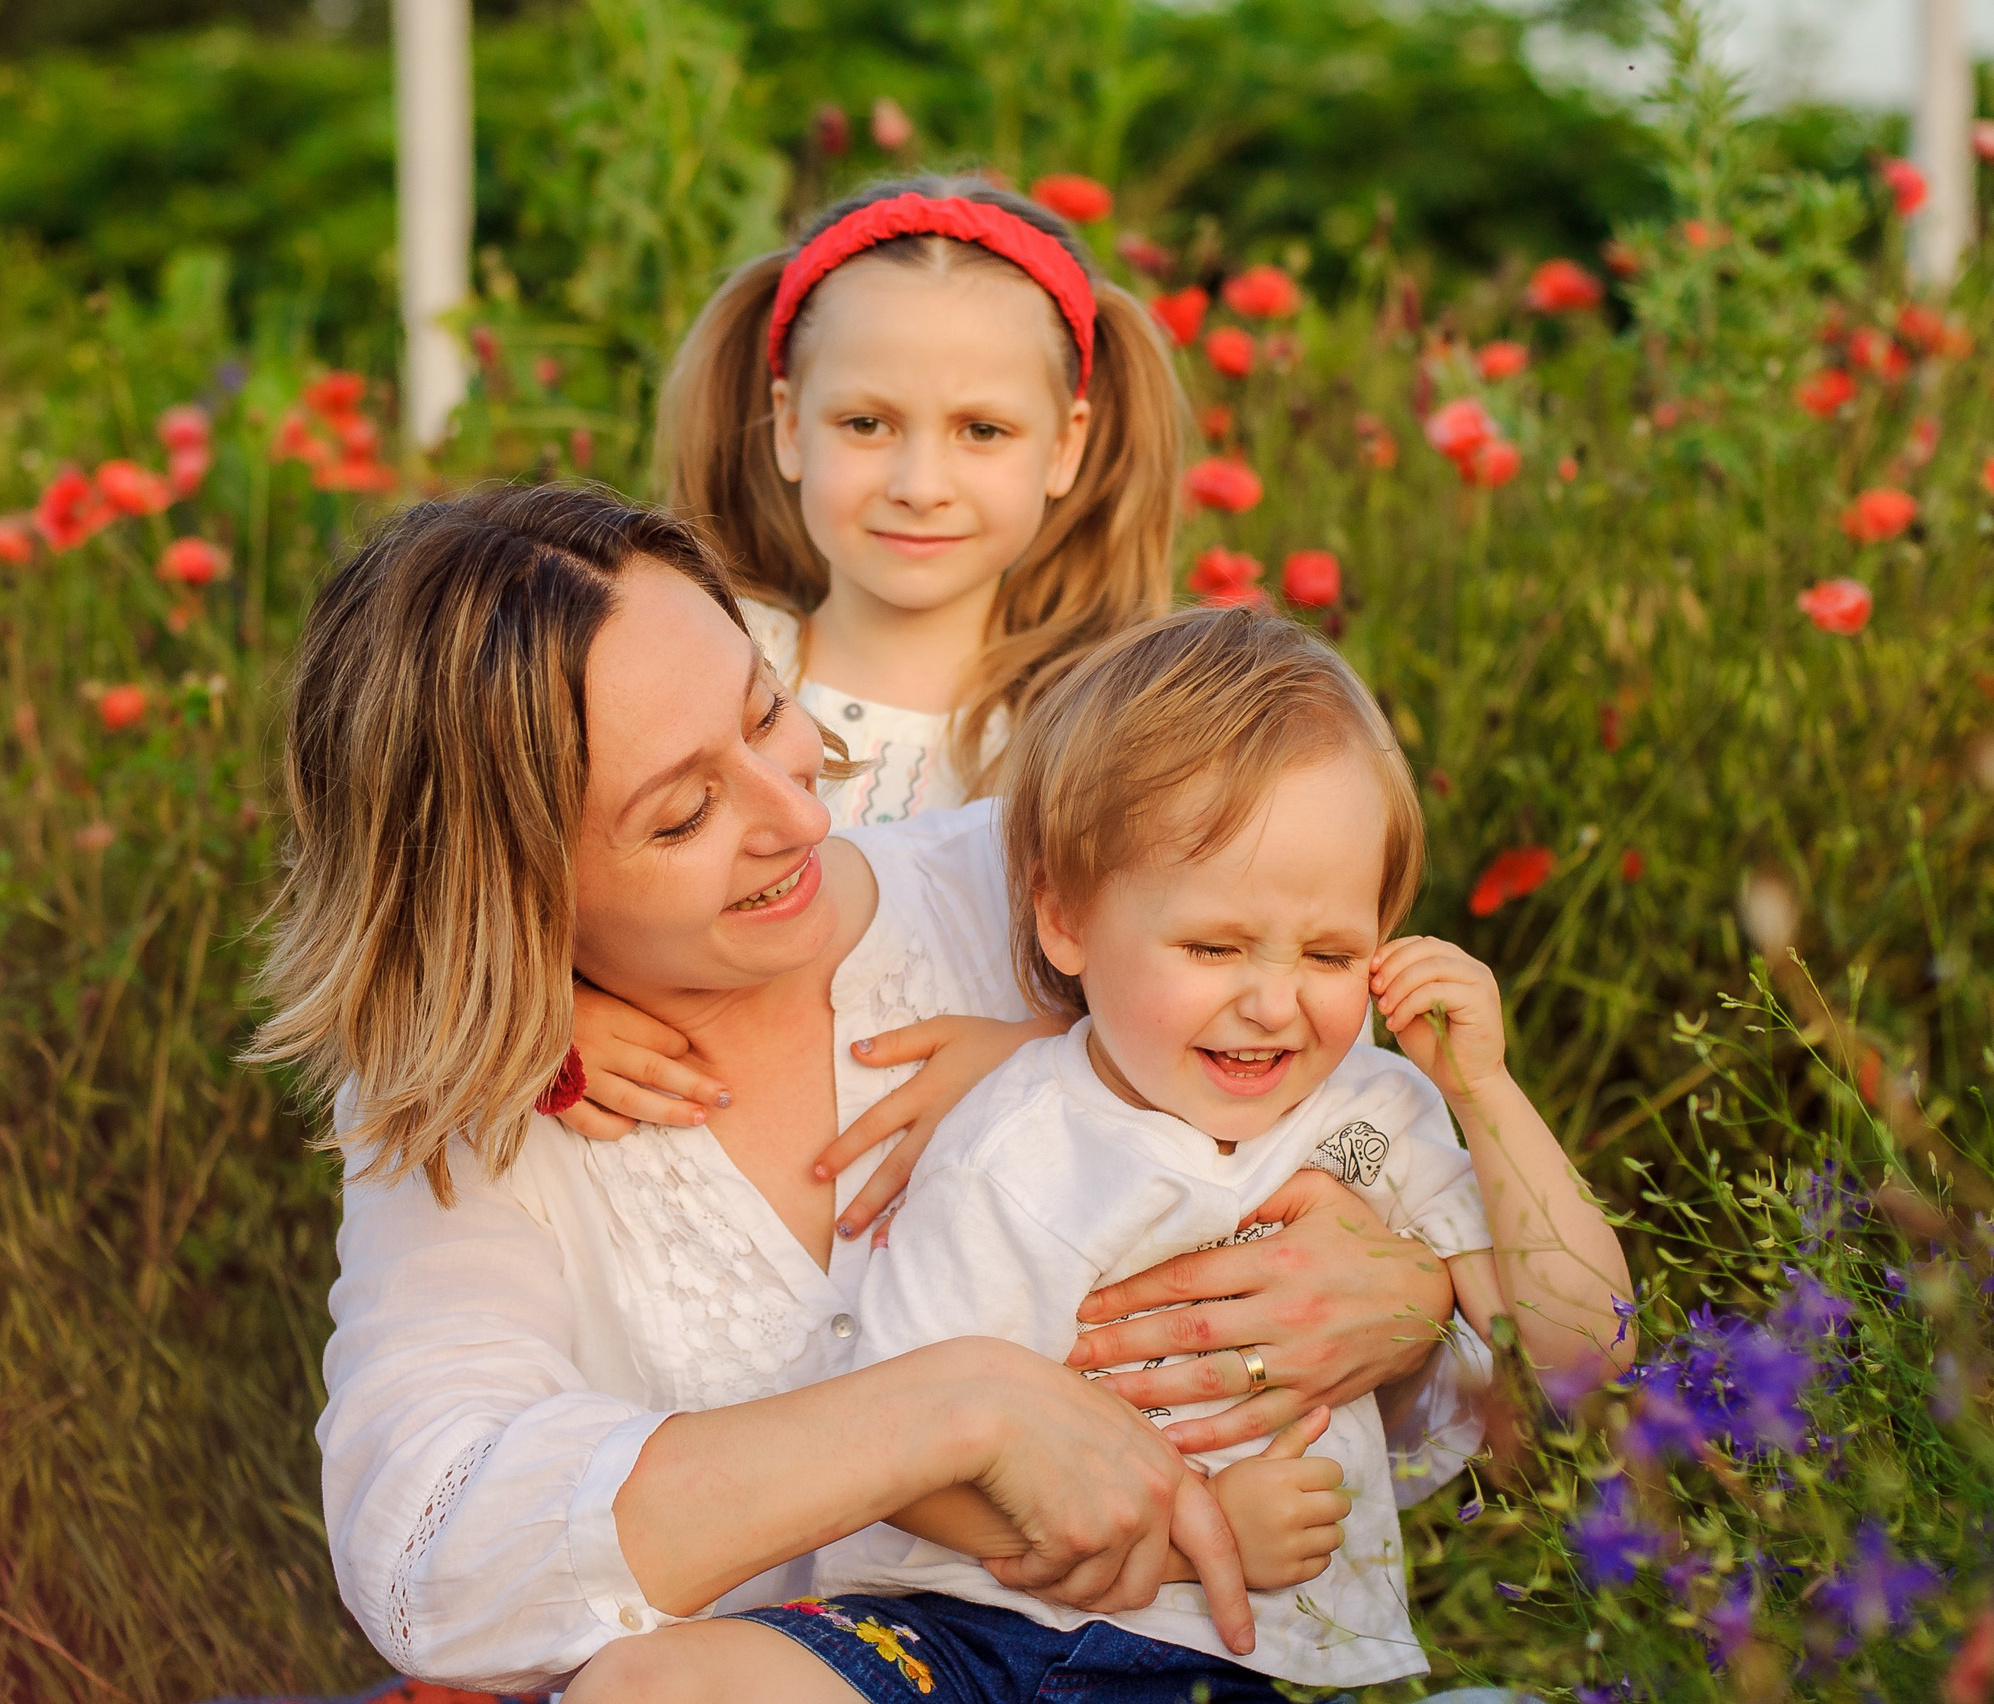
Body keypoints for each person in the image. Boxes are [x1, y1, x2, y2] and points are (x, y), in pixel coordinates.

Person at [248, 485, 1479, 1696]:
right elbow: (430, 1561)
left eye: (766, 707)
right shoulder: (495, 1112)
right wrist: (955, 1410)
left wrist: (1420, 1299)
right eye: (682, 816)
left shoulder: (1059, 887)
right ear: (511, 892)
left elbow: (1499, 1367)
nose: (795, 808)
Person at [570, 606, 1633, 1702]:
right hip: (961, 1637)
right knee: (652, 1684)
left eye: (1329, 952)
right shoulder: (1021, 1145)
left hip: (1221, 1666)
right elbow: (901, 1472)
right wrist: (1197, 1532)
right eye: (1212, 946)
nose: (1271, 1003)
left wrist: (1488, 1097)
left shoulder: (1374, 1119)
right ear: (1065, 921)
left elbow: (1581, 1345)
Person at [566, 177, 1185, 1231]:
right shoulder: (695, 666)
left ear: (1066, 446)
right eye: (866, 422)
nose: (918, 481)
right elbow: (516, 867)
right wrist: (548, 1013)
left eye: (982, 431)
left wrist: (1038, 1055)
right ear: (788, 426)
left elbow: (1225, 988)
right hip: (694, 1212)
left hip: (985, 1237)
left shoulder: (1107, 734)